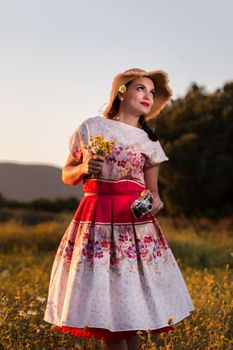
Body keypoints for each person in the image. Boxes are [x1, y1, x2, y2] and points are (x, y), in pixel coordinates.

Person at [43, 68, 195, 350]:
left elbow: (152, 193)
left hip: (134, 228)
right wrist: (84, 168)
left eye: (151, 92)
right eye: (141, 89)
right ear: (122, 91)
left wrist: (153, 203)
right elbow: (67, 175)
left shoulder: (149, 141)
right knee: (107, 312)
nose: (148, 96)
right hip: (97, 220)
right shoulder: (91, 128)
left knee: (131, 309)